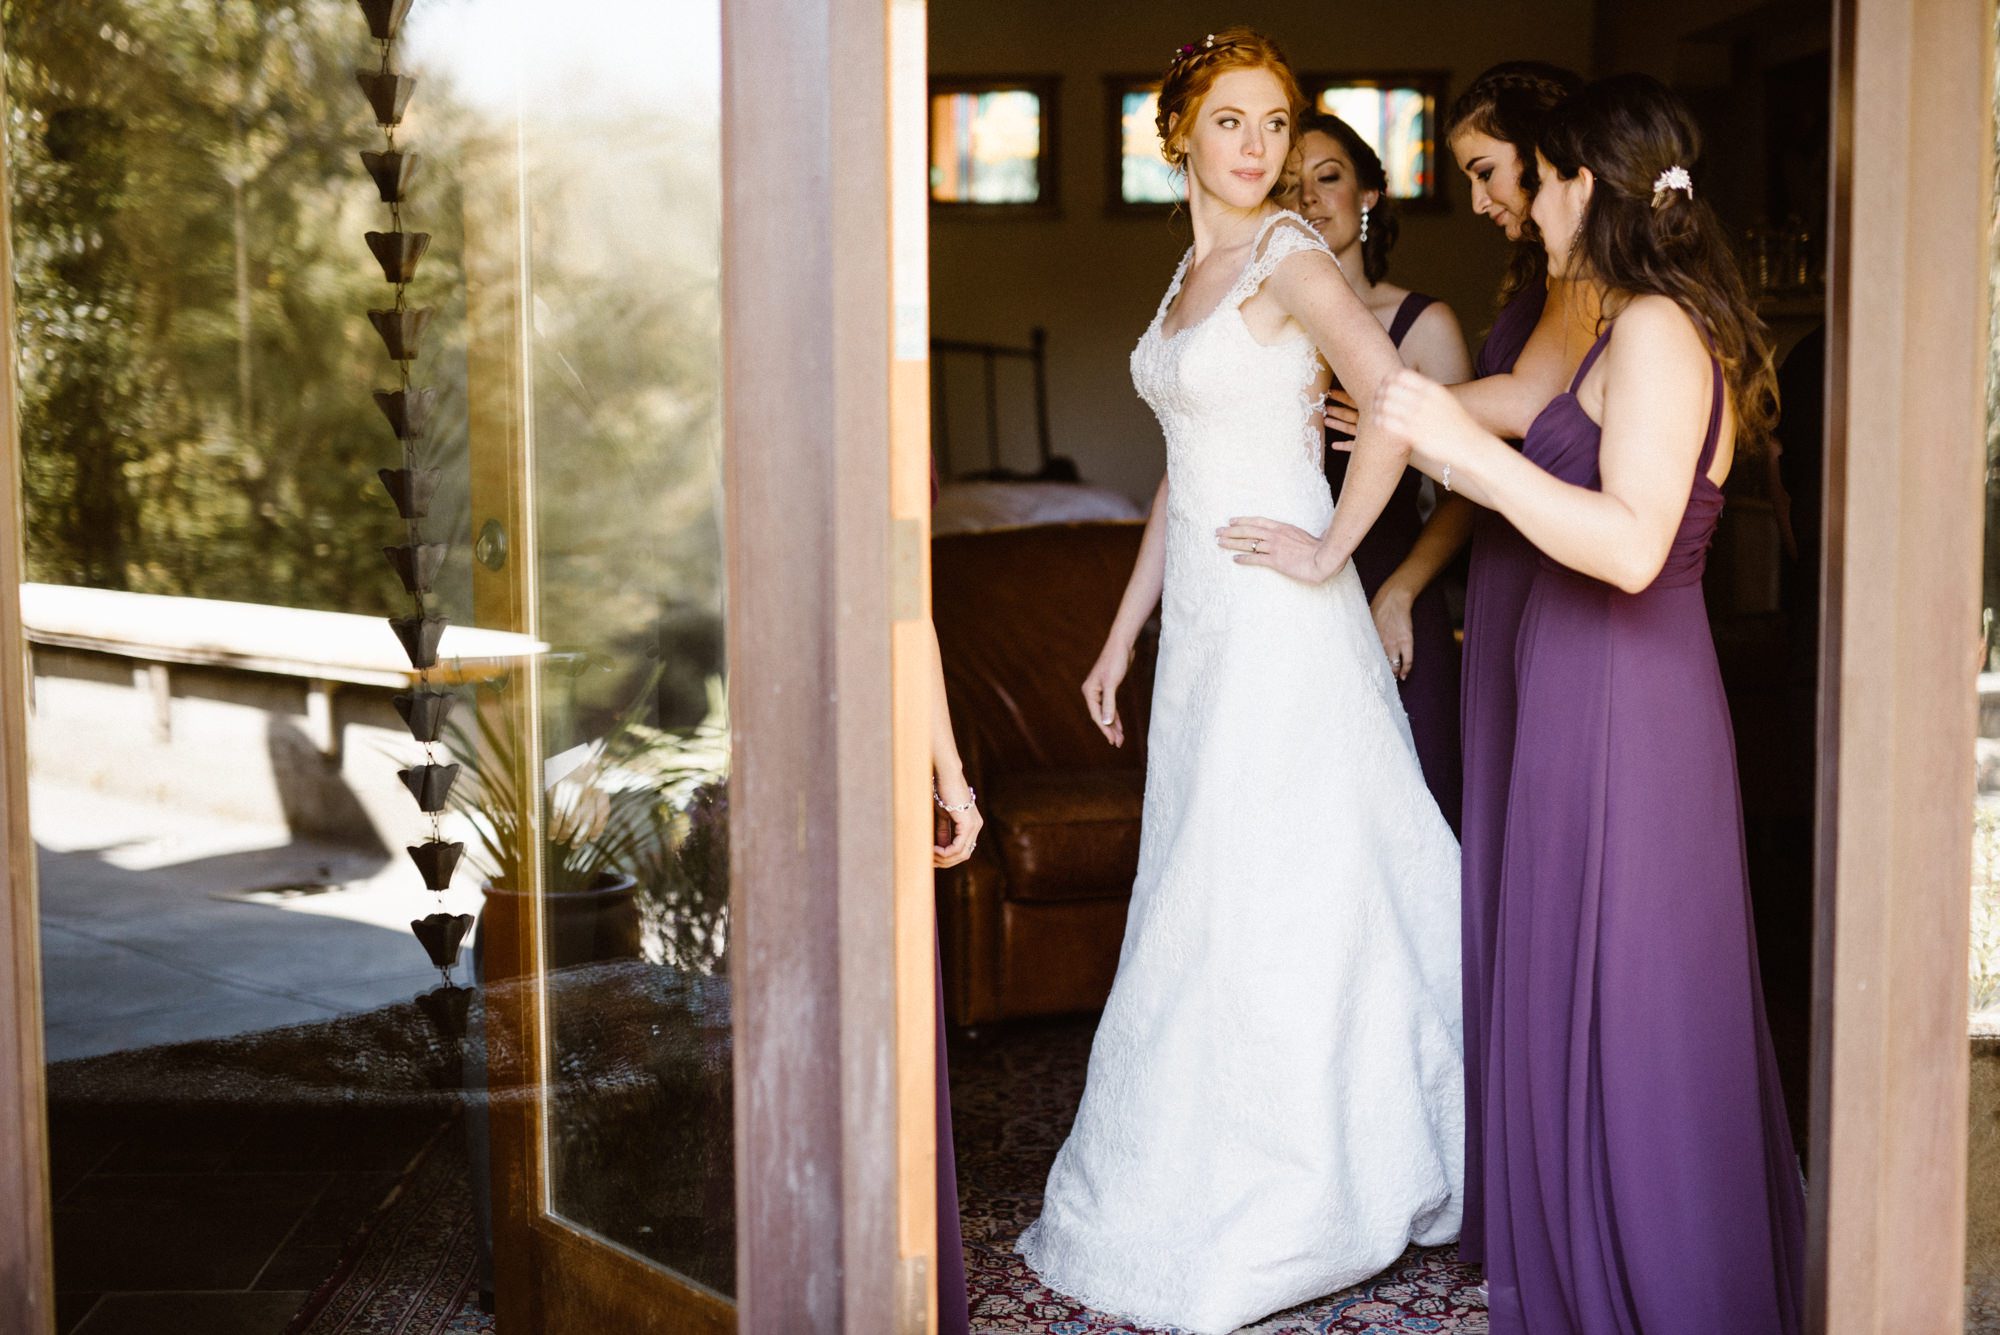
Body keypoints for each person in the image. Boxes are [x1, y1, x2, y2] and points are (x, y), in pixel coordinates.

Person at [1015, 29, 1462, 1334]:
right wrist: (1115, 640)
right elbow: (1182, 475)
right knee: (1203, 881)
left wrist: (1331, 543)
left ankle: (1305, 1182)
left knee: (1269, 882)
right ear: (1181, 135)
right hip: (1204, 637)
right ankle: (1201, 1158)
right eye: (1234, 121)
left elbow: (1390, 395)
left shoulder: (1286, 255)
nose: (1261, 145)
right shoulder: (1194, 272)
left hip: (1279, 621)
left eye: (1276, 121)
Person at [1373, 73, 1808, 1335]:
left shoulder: (1665, 333)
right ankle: (1578, 1259)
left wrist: (1459, 460)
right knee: (1571, 977)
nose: (1519, 201)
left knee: (1636, 998)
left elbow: (1628, 545)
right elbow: (1535, 420)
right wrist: (1411, 411)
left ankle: (1668, 1285)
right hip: (1571, 681)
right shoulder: (1616, 325)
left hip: (1631, 695)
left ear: (1583, 186)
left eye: (1536, 176)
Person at [1319, 61, 1586, 1270]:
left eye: (1487, 171)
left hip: (1479, 577)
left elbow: (1506, 428)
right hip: (1450, 589)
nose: (1477, 195)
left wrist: (1400, 566)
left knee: (1465, 863)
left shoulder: (1563, 297)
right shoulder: (1537, 282)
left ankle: (1506, 1153)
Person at [1282, 109, 1473, 829]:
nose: (1308, 198)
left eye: (1328, 178)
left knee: (1414, 811)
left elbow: (1466, 488)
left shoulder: (1425, 324)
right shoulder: (1266, 330)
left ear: (1368, 195)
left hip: (1393, 577)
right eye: (1289, 186)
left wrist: (1402, 589)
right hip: (1291, 589)